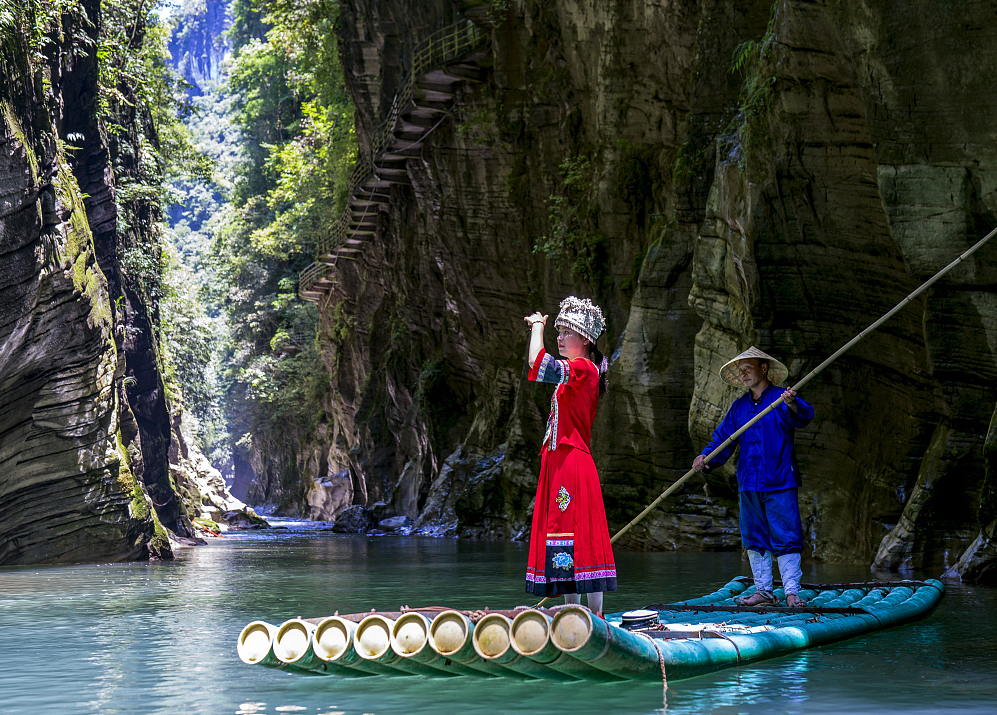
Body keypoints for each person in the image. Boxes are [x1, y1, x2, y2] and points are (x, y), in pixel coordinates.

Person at [692, 347, 814, 607]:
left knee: (786, 534)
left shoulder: (781, 399)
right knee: (755, 537)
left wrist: (792, 403)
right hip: (749, 481)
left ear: (764, 368)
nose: (743, 373)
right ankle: (764, 592)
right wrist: (705, 458)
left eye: (748, 368)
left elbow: (804, 416)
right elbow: (723, 440)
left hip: (779, 479)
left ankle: (792, 592)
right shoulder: (739, 407)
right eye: (741, 370)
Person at [523, 296, 617, 615]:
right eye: (558, 331)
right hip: (560, 462)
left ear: (586, 339)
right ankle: (572, 612)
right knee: (565, 529)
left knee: (575, 527)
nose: (560, 337)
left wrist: (538, 326)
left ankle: (592, 615)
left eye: (567, 332)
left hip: (571, 463)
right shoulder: (580, 371)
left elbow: (538, 365)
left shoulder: (583, 368)